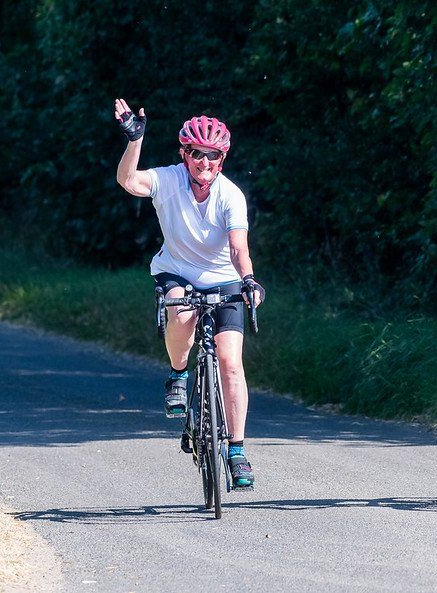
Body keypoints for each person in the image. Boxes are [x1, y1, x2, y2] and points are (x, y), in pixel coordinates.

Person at [113, 98, 263, 488]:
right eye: (197, 154)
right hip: (176, 271)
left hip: (224, 279)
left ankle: (236, 449)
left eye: (214, 156)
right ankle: (178, 375)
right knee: (180, 315)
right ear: (185, 154)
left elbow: (238, 247)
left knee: (230, 363)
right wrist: (135, 140)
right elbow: (128, 181)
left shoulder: (231, 195)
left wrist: (248, 280)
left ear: (222, 159)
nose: (205, 163)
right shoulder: (167, 179)